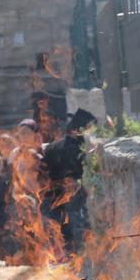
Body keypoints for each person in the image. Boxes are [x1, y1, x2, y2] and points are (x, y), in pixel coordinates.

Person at [40, 109, 97, 256]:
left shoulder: (52, 146)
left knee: (63, 228)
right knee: (75, 228)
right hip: (71, 194)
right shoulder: (84, 148)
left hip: (56, 194)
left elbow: (43, 174)